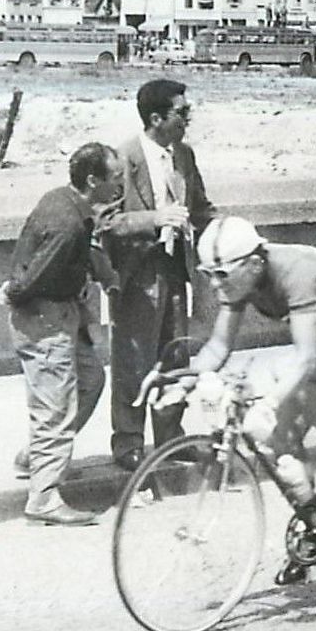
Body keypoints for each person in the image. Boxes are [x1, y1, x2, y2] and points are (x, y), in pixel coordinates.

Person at [182, 217, 316, 586]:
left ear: (253, 263)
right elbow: (218, 347)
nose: (216, 285)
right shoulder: (243, 279)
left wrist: (267, 402)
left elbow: (304, 360)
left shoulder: (295, 272)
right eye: (208, 275)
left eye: (222, 274)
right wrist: (183, 379)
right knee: (276, 444)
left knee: (292, 376)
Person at [0, 143, 124, 526]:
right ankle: (44, 498)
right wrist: (12, 293)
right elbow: (35, 275)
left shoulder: (65, 202)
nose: (120, 182)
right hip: (44, 319)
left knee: (90, 379)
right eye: (114, 176)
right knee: (54, 407)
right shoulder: (69, 223)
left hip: (60, 314)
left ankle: (35, 461)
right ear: (93, 180)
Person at [102, 78, 216, 472]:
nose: (189, 118)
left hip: (175, 268)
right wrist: (154, 219)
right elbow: (106, 221)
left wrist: (228, 233)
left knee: (175, 357)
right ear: (156, 118)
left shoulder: (184, 155)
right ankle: (128, 444)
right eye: (182, 113)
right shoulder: (122, 158)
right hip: (138, 274)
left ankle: (170, 438)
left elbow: (201, 208)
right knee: (133, 361)